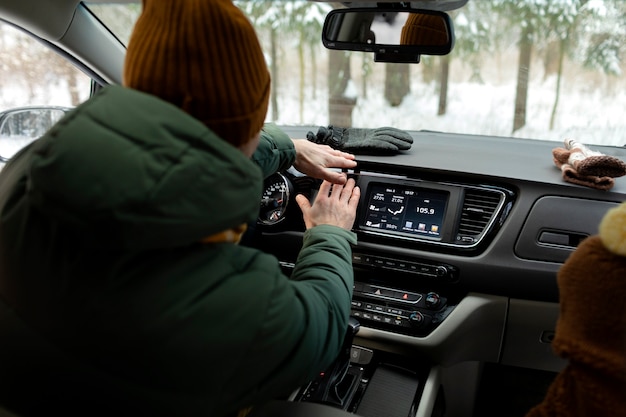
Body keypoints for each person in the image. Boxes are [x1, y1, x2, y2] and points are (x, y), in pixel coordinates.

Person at [0, 1, 360, 416]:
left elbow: (191, 142)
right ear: (247, 126)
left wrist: (286, 148)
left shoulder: (28, 170)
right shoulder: (225, 304)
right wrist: (329, 234)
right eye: (255, 126)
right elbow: (322, 327)